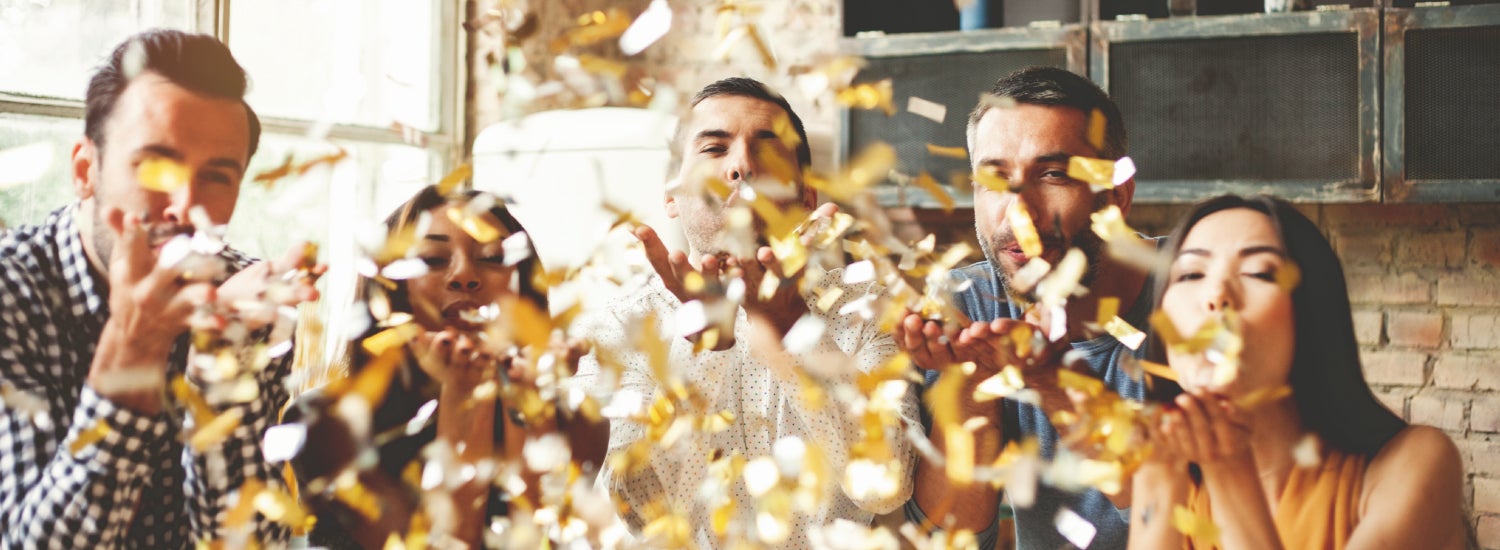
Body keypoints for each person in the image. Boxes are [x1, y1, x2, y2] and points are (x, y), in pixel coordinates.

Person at [0, 29, 320, 546]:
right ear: (85, 169)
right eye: (156, 165)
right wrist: (135, 344)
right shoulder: (12, 293)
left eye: (217, 177)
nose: (185, 207)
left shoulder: (243, 298)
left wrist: (220, 368)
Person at [574, 77, 919, 548]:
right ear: (672, 196)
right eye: (714, 149)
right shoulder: (620, 326)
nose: (743, 166)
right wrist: (705, 348)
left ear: (806, 197)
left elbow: (885, 489)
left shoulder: (866, 308)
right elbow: (639, 507)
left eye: (769, 149)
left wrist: (790, 324)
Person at [896, 66, 1150, 549]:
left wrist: (1049, 382)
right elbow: (950, 540)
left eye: (1053, 175)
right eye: (994, 179)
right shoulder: (961, 305)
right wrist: (970, 385)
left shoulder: (1197, 293)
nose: (1019, 213)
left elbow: (1199, 525)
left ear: (1116, 195)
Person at [1127, 195, 1467, 550]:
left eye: (1259, 272)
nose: (1216, 294)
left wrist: (1229, 468)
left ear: (1311, 314)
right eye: (1191, 274)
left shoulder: (1415, 461)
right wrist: (1157, 474)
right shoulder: (1173, 474)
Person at [288, 186, 600, 548]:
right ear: (389, 289)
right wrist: (464, 396)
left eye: (492, 257)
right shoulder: (326, 421)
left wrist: (525, 398)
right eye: (434, 259)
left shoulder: (577, 422)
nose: (464, 275)